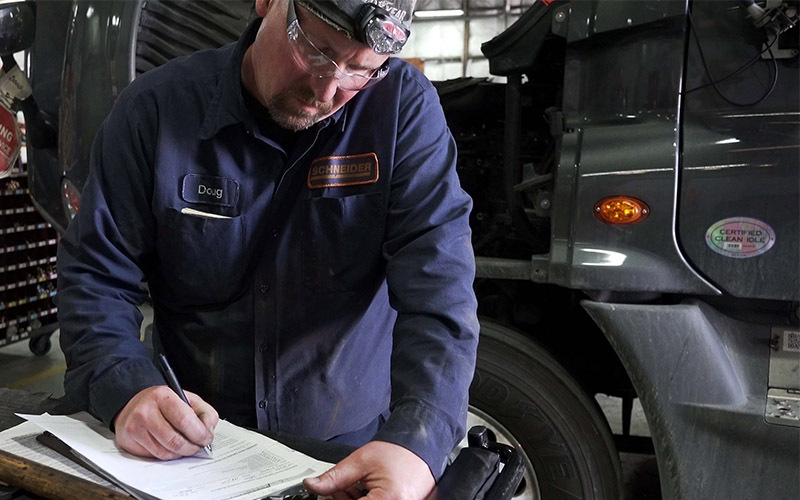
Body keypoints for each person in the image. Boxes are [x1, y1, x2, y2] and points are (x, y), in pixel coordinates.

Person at [56, 0, 479, 497]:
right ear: (266, 4)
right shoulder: (154, 111)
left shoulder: (400, 113)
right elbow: (96, 276)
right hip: (186, 455)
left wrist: (414, 445)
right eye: (316, 50)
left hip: (345, 456)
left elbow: (440, 294)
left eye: (360, 71)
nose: (327, 89)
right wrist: (125, 388)